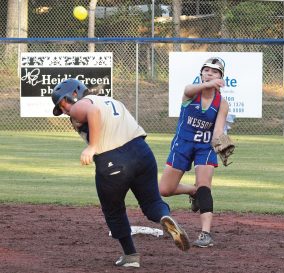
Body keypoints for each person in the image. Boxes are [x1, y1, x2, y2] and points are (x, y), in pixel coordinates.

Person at [51, 78, 190, 268]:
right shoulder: (111, 100)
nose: (65, 109)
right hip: (142, 152)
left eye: (63, 102)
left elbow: (93, 111)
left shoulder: (80, 106)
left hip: (112, 160)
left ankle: (130, 256)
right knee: (152, 203)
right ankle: (165, 217)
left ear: (74, 93)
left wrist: (92, 147)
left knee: (113, 210)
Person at [159, 57, 229, 248]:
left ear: (222, 76)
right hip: (182, 144)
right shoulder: (191, 93)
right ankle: (193, 191)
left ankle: (205, 233)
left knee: (205, 185)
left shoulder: (222, 103)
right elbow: (188, 89)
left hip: (204, 147)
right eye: (206, 70)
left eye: (215, 72)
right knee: (164, 189)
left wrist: (220, 143)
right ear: (201, 74)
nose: (209, 73)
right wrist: (210, 83)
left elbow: (217, 131)